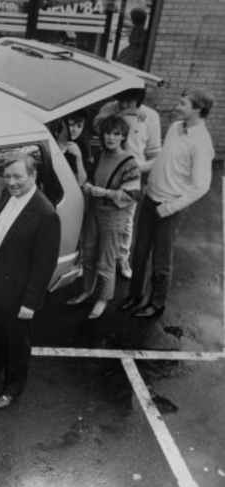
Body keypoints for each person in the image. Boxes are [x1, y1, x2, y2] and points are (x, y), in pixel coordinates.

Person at [121, 89, 215, 318]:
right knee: (140, 253)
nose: (177, 106)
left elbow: (201, 186)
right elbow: (163, 158)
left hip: (169, 208)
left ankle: (156, 303)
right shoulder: (175, 128)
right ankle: (135, 297)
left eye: (183, 103)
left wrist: (169, 208)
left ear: (197, 109)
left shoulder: (202, 143)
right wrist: (141, 167)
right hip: (150, 199)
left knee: (161, 260)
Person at [0, 155, 60, 409]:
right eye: (8, 176)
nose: (11, 182)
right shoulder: (7, 196)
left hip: (18, 293)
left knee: (16, 343)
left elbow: (44, 264)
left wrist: (30, 303)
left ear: (33, 176)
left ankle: (12, 388)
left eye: (17, 177)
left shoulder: (45, 213)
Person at [67, 116, 140, 319]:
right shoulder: (99, 155)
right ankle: (87, 290)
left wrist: (102, 192)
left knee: (107, 260)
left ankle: (103, 298)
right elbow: (85, 181)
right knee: (88, 253)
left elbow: (132, 195)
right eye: (108, 133)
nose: (111, 137)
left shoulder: (129, 162)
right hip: (94, 212)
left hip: (113, 217)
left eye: (116, 134)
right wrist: (80, 160)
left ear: (123, 136)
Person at [94, 88, 162, 278]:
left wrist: (138, 169)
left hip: (132, 175)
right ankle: (96, 258)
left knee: (126, 221)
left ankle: (122, 258)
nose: (122, 105)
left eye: (129, 102)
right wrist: (123, 113)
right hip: (106, 168)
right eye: (120, 101)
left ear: (139, 101)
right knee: (98, 215)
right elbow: (97, 126)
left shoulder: (151, 116)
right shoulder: (110, 108)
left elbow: (155, 154)